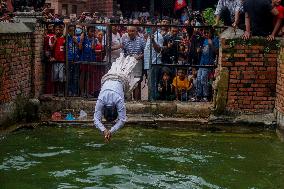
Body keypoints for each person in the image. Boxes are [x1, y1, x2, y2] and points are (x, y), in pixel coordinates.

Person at [94, 55, 139, 142]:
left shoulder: (115, 99)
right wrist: (108, 130)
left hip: (118, 78)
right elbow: (122, 120)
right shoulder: (103, 99)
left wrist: (106, 130)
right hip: (112, 79)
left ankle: (128, 58)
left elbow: (96, 119)